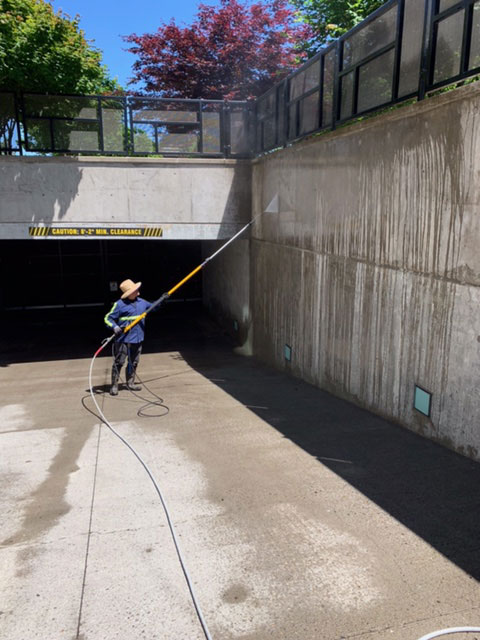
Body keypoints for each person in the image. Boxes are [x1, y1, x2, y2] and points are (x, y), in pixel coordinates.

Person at [104, 278, 154, 396]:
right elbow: (108, 318)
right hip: (123, 339)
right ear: (128, 293)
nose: (138, 292)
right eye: (135, 291)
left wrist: (163, 299)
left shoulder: (142, 302)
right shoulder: (119, 305)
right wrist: (115, 327)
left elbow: (154, 307)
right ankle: (114, 385)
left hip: (138, 338)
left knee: (133, 362)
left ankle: (130, 382)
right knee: (119, 362)